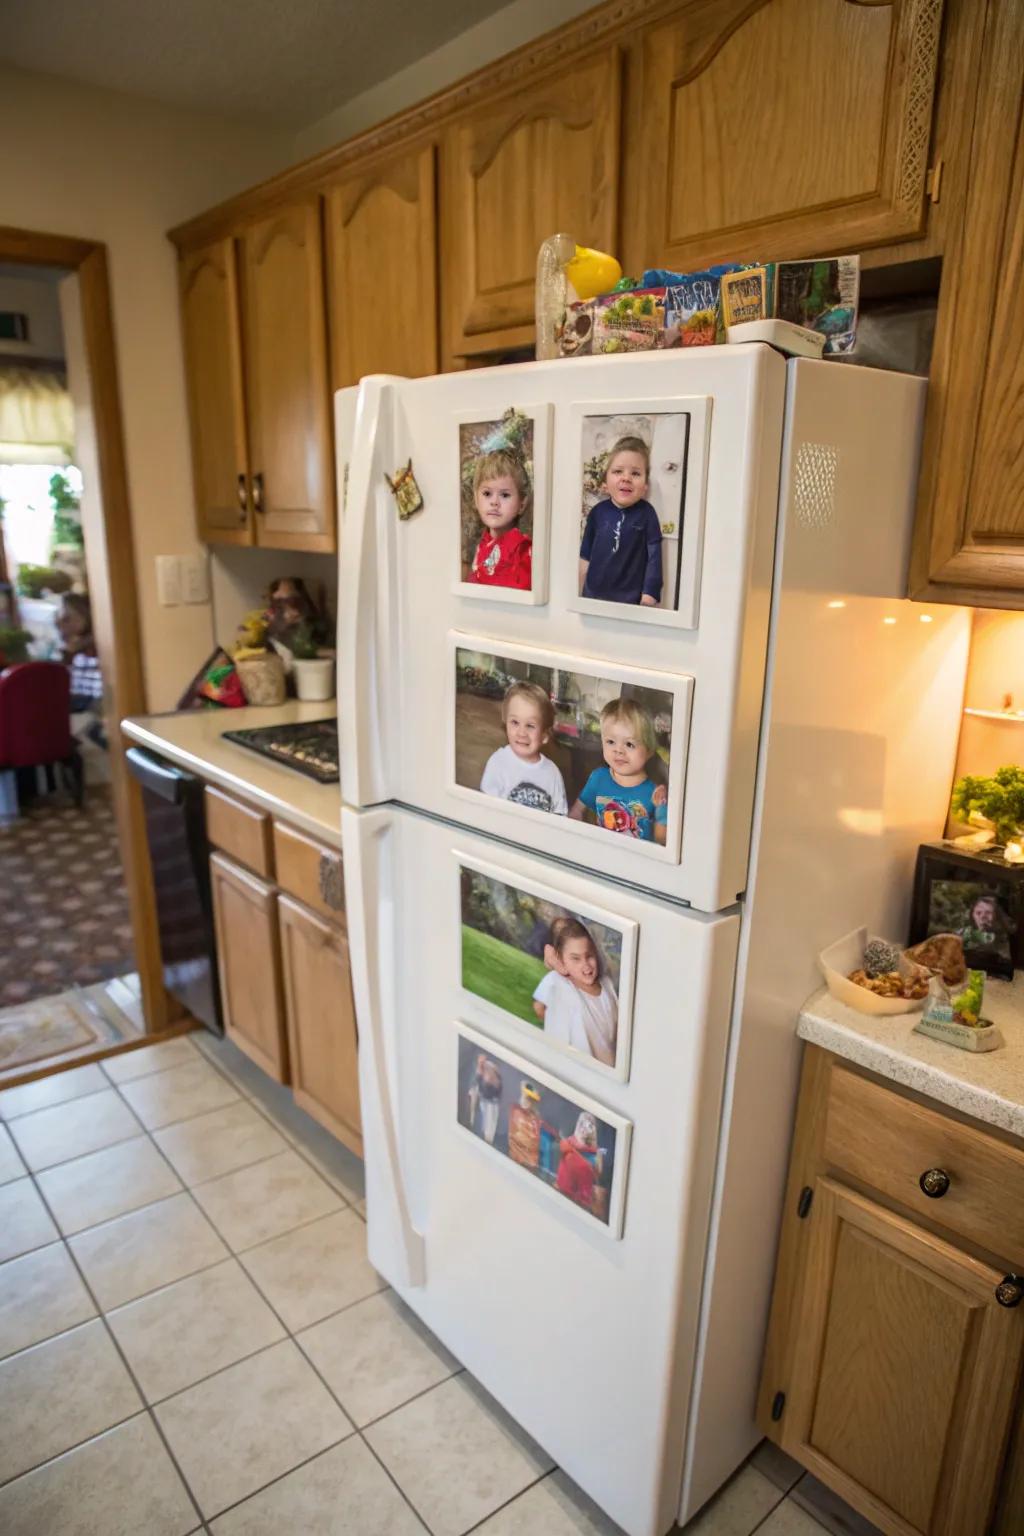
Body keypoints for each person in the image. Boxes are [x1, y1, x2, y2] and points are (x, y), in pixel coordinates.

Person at [578, 435, 662, 607]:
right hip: (593, 598)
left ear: (645, 486)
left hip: (630, 602)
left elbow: (654, 556)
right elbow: (585, 555)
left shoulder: (647, 514)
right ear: (605, 483)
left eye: (635, 473)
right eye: (618, 471)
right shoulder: (597, 512)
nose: (626, 478)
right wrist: (579, 591)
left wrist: (650, 592)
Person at [569, 697, 667, 843]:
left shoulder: (654, 791)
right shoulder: (598, 778)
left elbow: (662, 839)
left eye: (629, 744)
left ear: (649, 750)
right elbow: (576, 811)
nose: (618, 750)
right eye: (611, 742)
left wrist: (661, 808)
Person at [532, 917, 618, 1067]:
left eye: (589, 956)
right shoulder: (558, 981)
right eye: (576, 959)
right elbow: (539, 1008)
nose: (586, 965)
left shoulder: (607, 985)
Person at [480, 680, 568, 815]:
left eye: (530, 726)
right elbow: (486, 810)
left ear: (544, 735)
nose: (521, 733)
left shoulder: (552, 773)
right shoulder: (498, 762)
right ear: (506, 724)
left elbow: (559, 814)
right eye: (515, 722)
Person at [466, 448, 532, 590]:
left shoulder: (523, 550)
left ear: (521, 503)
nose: (494, 502)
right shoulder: (482, 544)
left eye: (505, 495)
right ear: (476, 499)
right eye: (487, 493)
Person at [555, 1110, 603, 1212]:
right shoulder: (567, 1143)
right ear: (578, 1124)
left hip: (583, 1204)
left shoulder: (596, 1152)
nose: (584, 1128)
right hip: (563, 1196)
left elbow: (598, 1174)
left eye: (589, 1126)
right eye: (582, 1123)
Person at [467, 1054, 503, 1145]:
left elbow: (494, 1083)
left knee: (488, 1131)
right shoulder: (480, 1074)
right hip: (483, 1100)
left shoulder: (492, 1073)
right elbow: (478, 1080)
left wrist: (490, 1077)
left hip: (491, 1103)